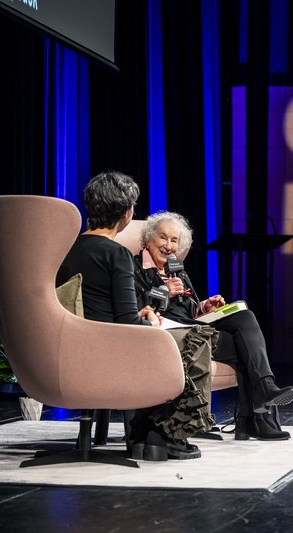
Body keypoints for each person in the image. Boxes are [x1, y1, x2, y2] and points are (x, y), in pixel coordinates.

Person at [56, 170, 211, 461]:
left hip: (70, 350)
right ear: (126, 213)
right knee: (195, 338)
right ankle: (165, 435)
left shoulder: (66, 248)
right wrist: (149, 320)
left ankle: (145, 435)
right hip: (110, 350)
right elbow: (129, 322)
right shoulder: (117, 254)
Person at [132, 211, 293, 440]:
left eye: (174, 240)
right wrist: (163, 292)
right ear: (149, 239)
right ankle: (255, 418)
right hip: (170, 335)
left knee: (245, 317)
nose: (168, 246)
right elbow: (131, 307)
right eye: (162, 237)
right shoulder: (134, 267)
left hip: (195, 327)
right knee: (245, 348)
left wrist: (205, 307)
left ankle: (265, 390)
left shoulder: (177, 269)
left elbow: (187, 310)